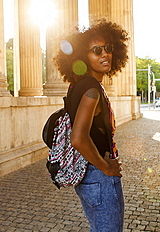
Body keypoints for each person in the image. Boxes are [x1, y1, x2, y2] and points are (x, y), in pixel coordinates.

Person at [54, 20, 129, 231]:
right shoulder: (92, 89)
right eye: (96, 50)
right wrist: (107, 168)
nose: (105, 54)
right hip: (99, 176)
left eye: (108, 48)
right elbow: (78, 138)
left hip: (87, 178)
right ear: (82, 56)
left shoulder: (77, 86)